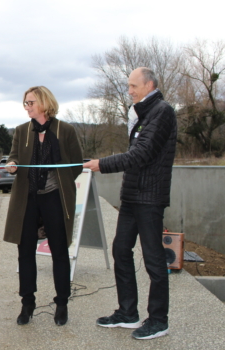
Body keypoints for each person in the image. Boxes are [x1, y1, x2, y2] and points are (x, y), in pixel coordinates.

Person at [84, 67, 176, 340]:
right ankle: (128, 312)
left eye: (133, 86)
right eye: (129, 86)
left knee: (153, 259)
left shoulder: (162, 112)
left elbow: (142, 154)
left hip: (150, 198)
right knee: (121, 250)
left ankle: (159, 320)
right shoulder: (142, 115)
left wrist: (102, 164)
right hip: (132, 196)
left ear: (149, 85)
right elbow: (136, 153)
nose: (129, 91)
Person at [3, 86, 83, 326]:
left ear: (44, 103)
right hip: (27, 198)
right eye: (25, 103)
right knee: (25, 251)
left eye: (30, 102)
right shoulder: (20, 131)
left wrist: (60, 183)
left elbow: (77, 164)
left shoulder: (65, 130)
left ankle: (61, 304)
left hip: (54, 197)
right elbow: (13, 156)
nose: (26, 107)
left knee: (59, 251)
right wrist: (12, 164)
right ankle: (27, 304)